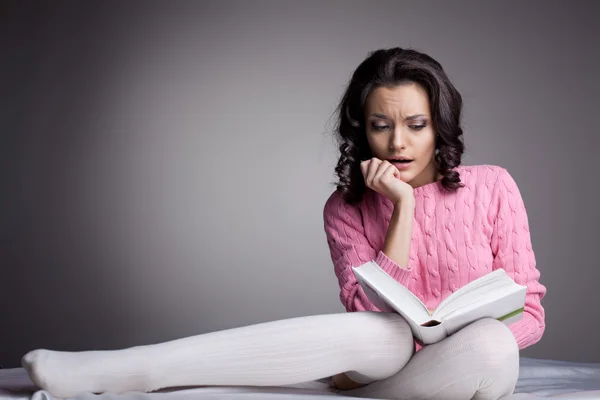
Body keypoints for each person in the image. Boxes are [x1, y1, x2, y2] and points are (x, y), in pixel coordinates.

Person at [21, 47, 546, 400]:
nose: (398, 143)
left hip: (460, 366)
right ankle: (121, 370)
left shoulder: (493, 186)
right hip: (380, 358)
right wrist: (402, 208)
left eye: (416, 125)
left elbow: (531, 313)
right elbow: (367, 313)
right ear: (361, 131)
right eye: (381, 126)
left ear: (440, 125)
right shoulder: (345, 207)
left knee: (494, 345)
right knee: (384, 332)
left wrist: (444, 338)